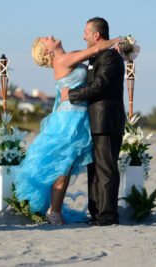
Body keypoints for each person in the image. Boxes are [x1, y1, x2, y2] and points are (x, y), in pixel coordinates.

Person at [14, 35, 121, 225]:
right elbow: (95, 50)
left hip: (77, 116)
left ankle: (54, 210)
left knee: (66, 166)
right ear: (47, 50)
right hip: (69, 118)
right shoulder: (62, 60)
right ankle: (54, 211)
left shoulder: (70, 56)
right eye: (47, 39)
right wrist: (118, 40)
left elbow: (94, 64)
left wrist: (114, 52)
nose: (51, 36)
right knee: (63, 166)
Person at [60, 17, 126, 226]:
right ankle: (96, 212)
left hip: (106, 121)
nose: (83, 36)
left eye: (86, 33)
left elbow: (100, 85)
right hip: (95, 122)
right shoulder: (97, 57)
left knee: (106, 169)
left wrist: (70, 94)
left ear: (96, 35)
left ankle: (108, 216)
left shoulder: (110, 57)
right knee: (95, 170)